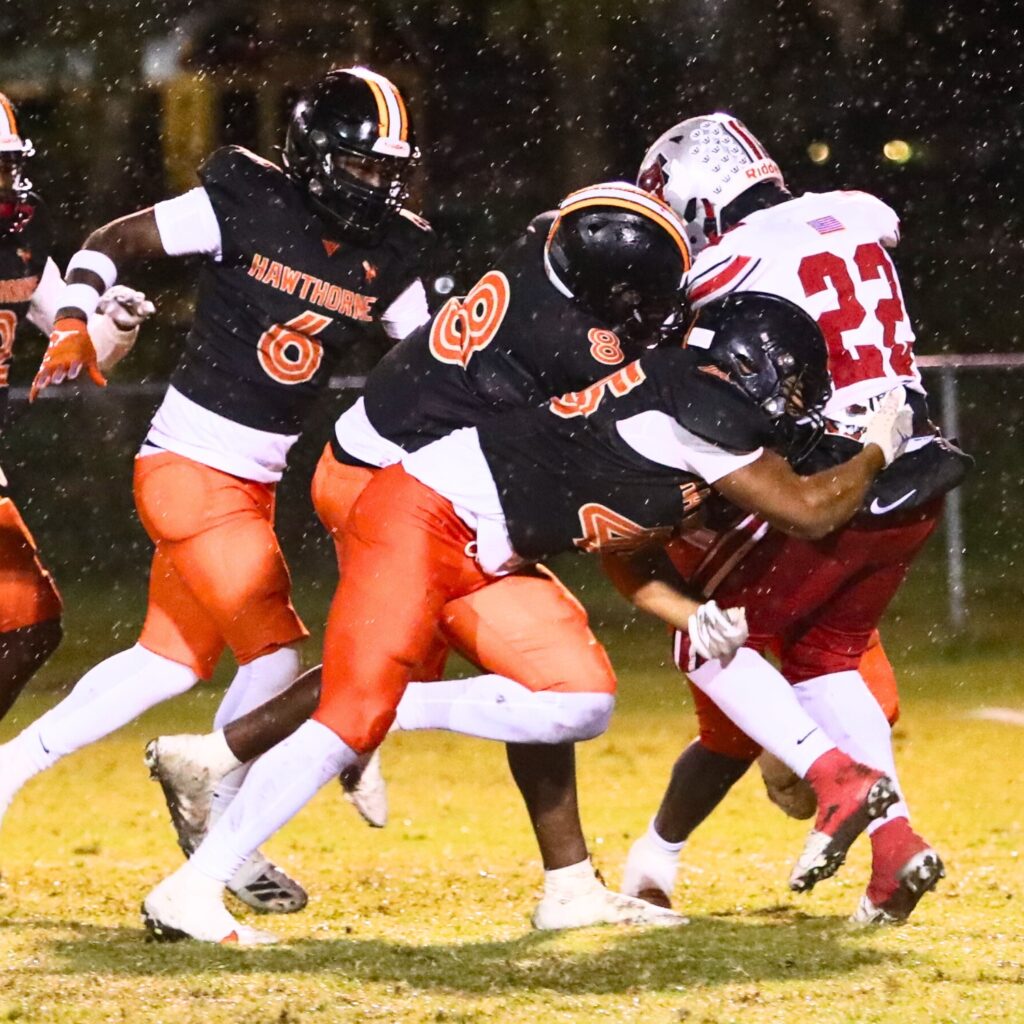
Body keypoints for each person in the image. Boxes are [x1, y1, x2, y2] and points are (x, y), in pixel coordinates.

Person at [140, 288, 916, 945]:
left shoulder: (683, 413)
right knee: (353, 713)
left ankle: (565, 886)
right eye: (789, 387)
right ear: (751, 372)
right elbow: (812, 513)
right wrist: (877, 448)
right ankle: (192, 890)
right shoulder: (697, 402)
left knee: (576, 700)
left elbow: (628, 550)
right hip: (420, 516)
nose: (791, 408)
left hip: (492, 551)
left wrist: (689, 613)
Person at [149, 181, 706, 932]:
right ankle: (209, 840)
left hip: (409, 475)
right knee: (371, 687)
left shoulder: (546, 239)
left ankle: (568, 884)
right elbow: (621, 415)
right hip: (394, 490)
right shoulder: (575, 345)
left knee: (532, 684)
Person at [0, 68, 434, 915]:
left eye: (387, 170)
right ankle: (221, 832)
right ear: (314, 156)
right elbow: (114, 240)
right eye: (360, 166)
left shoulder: (398, 250)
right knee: (275, 657)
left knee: (166, 661)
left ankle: (10, 768)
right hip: (190, 469)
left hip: (253, 481)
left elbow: (432, 359)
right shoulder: (246, 198)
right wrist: (84, 313)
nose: (375, 186)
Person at [622, 112, 970, 921]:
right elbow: (872, 230)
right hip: (914, 472)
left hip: (834, 480)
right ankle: (895, 855)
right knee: (826, 656)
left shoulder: (722, 261)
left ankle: (836, 784)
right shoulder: (856, 208)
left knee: (704, 636)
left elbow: (683, 340)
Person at [0, 91, 154, 721]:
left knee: (31, 626)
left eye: (10, 164)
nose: (10, 182)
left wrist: (113, 324)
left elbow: (77, 349)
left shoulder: (22, 243)